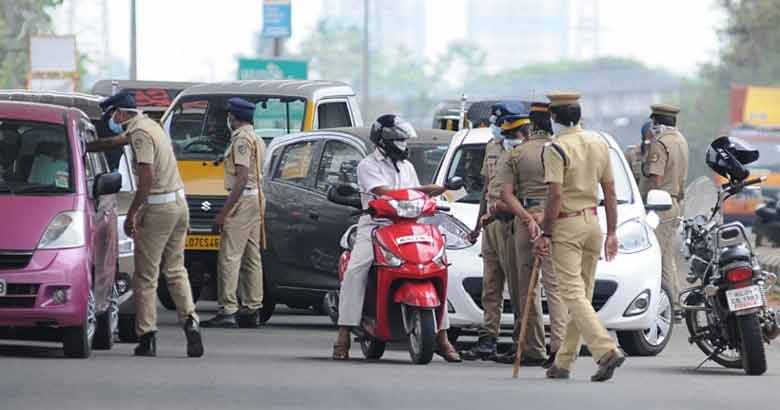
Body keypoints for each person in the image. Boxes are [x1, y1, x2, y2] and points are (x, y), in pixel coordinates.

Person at [333, 114, 461, 362]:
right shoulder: (368, 166)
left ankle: (443, 338)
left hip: (411, 226)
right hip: (375, 227)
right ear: (384, 141)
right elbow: (384, 193)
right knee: (355, 271)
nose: (404, 145)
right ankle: (344, 334)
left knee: (438, 266)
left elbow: (414, 198)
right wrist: (426, 189)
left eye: (405, 140)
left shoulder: (407, 167)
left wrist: (432, 198)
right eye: (399, 140)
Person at [86, 92, 204, 358]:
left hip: (160, 209)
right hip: (179, 206)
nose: (112, 120)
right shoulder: (150, 125)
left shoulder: (140, 134)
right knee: (175, 270)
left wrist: (132, 215)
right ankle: (191, 322)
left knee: (146, 276)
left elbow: (147, 176)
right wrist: (88, 146)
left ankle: (147, 336)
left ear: (120, 113)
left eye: (112, 115)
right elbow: (117, 140)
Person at [534, 91, 624, 382]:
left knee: (571, 293)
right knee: (581, 296)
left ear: (553, 118)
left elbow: (555, 194)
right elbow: (609, 192)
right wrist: (612, 232)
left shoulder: (555, 148)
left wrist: (545, 232)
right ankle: (563, 362)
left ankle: (606, 349)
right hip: (593, 224)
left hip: (567, 226)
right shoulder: (599, 144)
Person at [498, 101, 568, 368]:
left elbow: (505, 194)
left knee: (529, 288)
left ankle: (534, 348)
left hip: (526, 219)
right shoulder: (561, 150)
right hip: (556, 219)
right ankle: (559, 345)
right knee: (555, 286)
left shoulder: (516, 154)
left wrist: (527, 219)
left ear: (531, 125)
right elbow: (562, 190)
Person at [461, 102, 524, 361]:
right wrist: (477, 226)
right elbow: (487, 189)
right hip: (491, 223)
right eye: (496, 123)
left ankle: (521, 341)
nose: (497, 128)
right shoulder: (491, 147)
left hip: (512, 221)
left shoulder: (523, 151)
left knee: (518, 287)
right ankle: (488, 338)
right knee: (491, 284)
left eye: (502, 123)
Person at [201, 98, 266, 328]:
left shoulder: (241, 139)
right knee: (251, 256)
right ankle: (252, 308)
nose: (228, 120)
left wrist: (224, 212)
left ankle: (227, 309)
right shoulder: (256, 137)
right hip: (256, 197)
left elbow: (241, 177)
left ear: (234, 118)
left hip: (243, 199)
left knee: (229, 256)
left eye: (229, 116)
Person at [645, 104, 689, 317]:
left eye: (653, 123)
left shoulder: (660, 144)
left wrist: (649, 209)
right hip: (676, 203)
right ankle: (674, 304)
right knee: (666, 257)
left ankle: (660, 306)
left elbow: (656, 179)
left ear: (656, 123)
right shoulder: (681, 141)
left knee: (653, 256)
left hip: (660, 204)